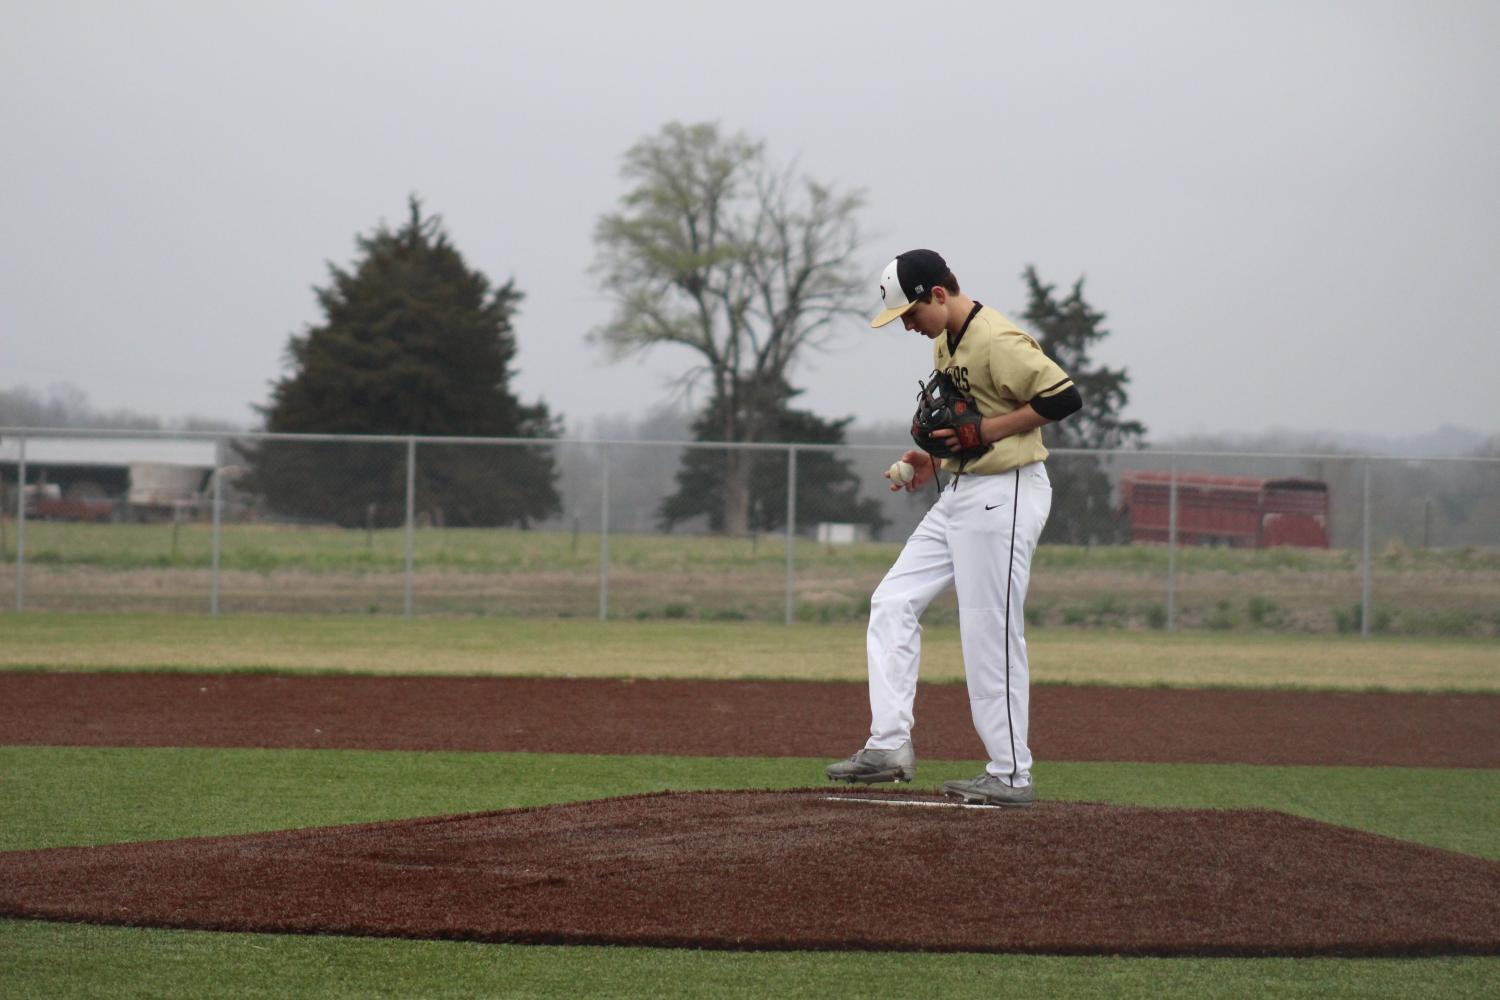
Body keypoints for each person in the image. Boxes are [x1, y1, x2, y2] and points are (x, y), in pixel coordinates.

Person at [826, 249, 1082, 806]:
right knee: (892, 601)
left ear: (938, 294)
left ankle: (1011, 773)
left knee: (989, 630)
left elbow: (1063, 396)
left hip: (1007, 491)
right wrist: (931, 459)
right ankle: (889, 745)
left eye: (911, 314)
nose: (909, 326)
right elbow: (961, 425)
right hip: (963, 489)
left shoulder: (997, 338)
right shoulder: (948, 340)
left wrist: (985, 432)